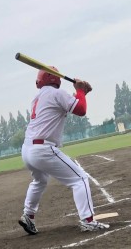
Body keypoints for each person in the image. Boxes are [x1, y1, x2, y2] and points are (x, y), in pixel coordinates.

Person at [18, 67, 109, 235]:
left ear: (41, 80)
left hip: (27, 149)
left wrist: (82, 93)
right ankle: (88, 221)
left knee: (39, 181)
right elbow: (81, 110)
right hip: (43, 149)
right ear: (56, 80)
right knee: (80, 179)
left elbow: (73, 104)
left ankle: (28, 215)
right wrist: (80, 91)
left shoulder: (39, 96)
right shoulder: (56, 94)